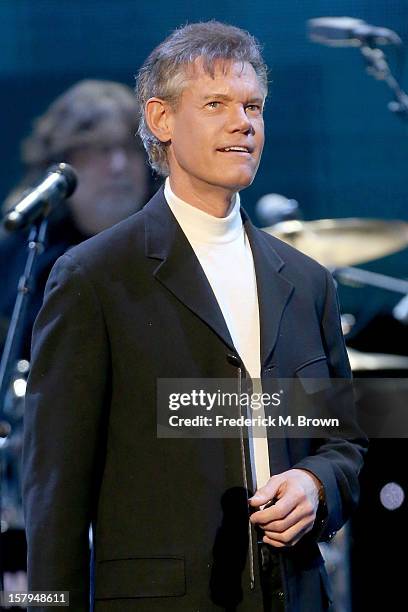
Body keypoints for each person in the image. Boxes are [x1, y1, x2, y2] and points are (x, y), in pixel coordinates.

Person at [23, 22, 366, 611]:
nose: (243, 122)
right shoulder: (94, 277)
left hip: (296, 596)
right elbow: (55, 493)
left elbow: (345, 445)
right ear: (160, 120)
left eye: (253, 105)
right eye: (216, 104)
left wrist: (316, 484)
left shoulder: (307, 282)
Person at [0, 80, 151, 582]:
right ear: (61, 163)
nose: (116, 167)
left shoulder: (179, 249)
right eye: (98, 151)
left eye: (129, 150)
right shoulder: (26, 258)